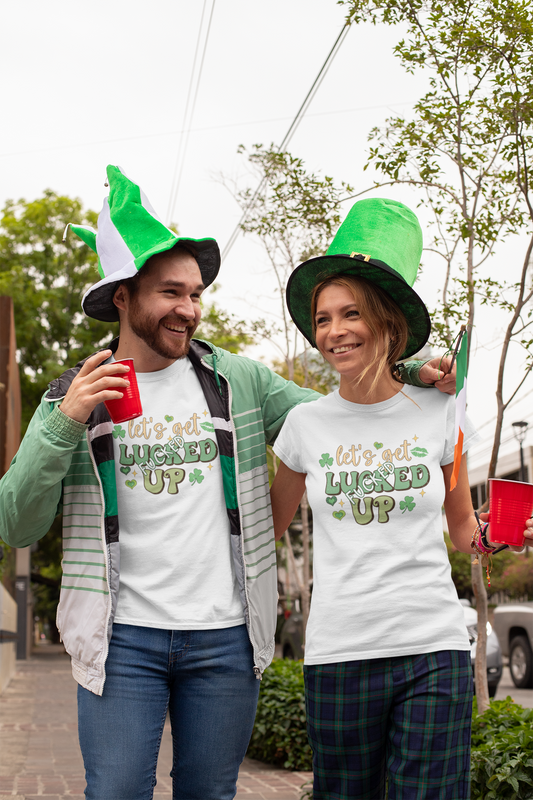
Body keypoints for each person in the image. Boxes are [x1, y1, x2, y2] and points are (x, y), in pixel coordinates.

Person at [0, 171, 453, 800]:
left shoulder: (239, 381)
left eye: (195, 292)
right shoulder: (69, 397)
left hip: (225, 638)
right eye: (170, 292)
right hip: (121, 638)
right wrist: (64, 423)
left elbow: (340, 410)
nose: (188, 307)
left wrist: (404, 366)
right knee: (117, 792)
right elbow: (15, 523)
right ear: (123, 299)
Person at [270, 198, 533, 800]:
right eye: (324, 318)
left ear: (385, 319)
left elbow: (463, 528)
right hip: (339, 651)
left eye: (351, 313)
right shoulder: (304, 428)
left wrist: (508, 530)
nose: (334, 331)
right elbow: (265, 528)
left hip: (431, 646)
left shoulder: (442, 413)